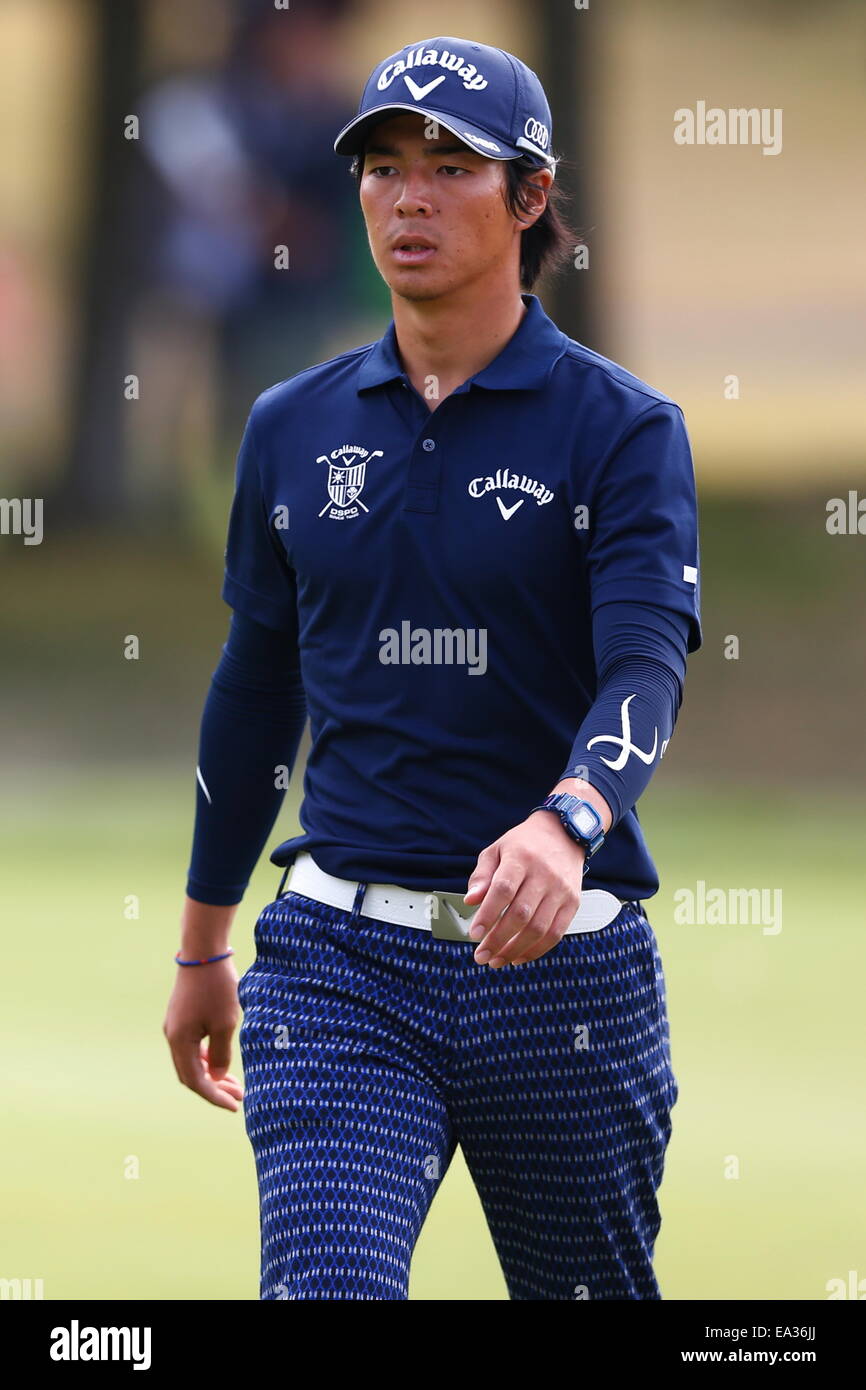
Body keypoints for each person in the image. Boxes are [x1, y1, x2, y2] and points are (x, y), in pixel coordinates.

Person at [163, 35, 703, 1301]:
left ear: (528, 197)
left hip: (563, 973)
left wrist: (568, 821)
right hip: (338, 965)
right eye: (384, 167)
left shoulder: (620, 429)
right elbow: (254, 690)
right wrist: (200, 946)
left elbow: (643, 664)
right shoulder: (291, 425)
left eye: (452, 166)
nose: (408, 197)